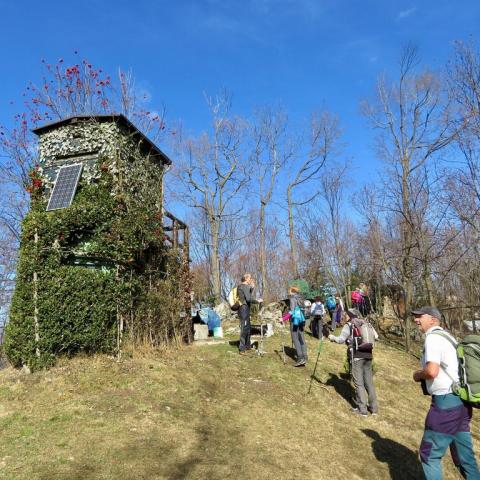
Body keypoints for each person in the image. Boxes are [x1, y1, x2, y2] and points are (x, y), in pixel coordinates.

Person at [412, 306, 480, 479]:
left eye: (420, 316)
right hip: (462, 404)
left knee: (429, 455)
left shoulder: (433, 338)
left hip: (445, 405)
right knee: (465, 457)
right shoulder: (449, 337)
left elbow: (432, 371)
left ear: (433, 319)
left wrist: (417, 374)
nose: (416, 320)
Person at [328, 308, 378, 416]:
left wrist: (331, 337)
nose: (345, 316)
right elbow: (376, 337)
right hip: (369, 355)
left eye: (346, 314)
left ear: (350, 315)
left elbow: (341, 340)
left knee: (359, 383)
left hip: (357, 356)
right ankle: (374, 409)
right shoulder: (366, 323)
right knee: (369, 382)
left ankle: (362, 409)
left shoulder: (349, 325)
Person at [237, 273, 261, 355]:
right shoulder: (245, 286)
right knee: (244, 328)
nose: (251, 279)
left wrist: (252, 287)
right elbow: (248, 298)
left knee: (247, 327)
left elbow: (246, 295)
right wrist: (258, 301)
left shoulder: (240, 286)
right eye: (250, 278)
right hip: (244, 309)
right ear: (246, 279)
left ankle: (247, 346)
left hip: (243, 309)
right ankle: (242, 348)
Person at [288, 286, 307, 367]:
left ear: (292, 291)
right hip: (301, 321)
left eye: (289, 291)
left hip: (295, 322)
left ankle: (300, 358)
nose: (288, 293)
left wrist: (283, 318)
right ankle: (305, 356)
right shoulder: (301, 299)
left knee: (295, 339)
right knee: (301, 338)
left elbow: (292, 312)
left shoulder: (292, 299)